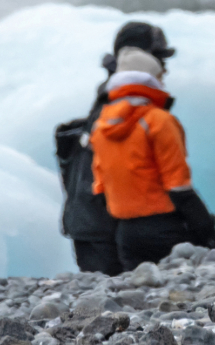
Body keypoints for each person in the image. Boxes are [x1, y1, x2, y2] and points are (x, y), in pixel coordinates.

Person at [55, 21, 176, 275]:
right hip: (103, 227)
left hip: (89, 223)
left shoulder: (112, 97)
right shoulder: (127, 101)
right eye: (158, 57)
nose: (163, 67)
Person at [90, 45, 215, 271]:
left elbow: (100, 188)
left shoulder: (100, 126)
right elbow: (178, 185)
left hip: (125, 235)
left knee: (140, 299)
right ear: (151, 80)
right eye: (160, 76)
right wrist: (207, 232)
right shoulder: (159, 121)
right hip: (165, 228)